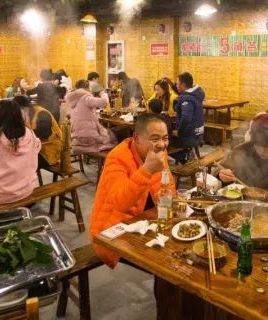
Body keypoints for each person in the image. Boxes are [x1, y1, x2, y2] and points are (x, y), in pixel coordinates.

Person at [90, 113, 175, 267]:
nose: (162, 144)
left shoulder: (158, 152)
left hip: (147, 221)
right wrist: (147, 170)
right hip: (114, 230)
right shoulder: (117, 158)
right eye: (155, 139)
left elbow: (168, 188)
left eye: (165, 138)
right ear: (136, 138)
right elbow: (120, 204)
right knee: (167, 262)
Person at [12, 95, 64, 169]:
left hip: (49, 151)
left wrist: (22, 133)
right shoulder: (26, 115)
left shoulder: (42, 113)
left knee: (22, 162)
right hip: (36, 149)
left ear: (24, 108)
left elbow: (45, 134)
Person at [65, 80, 115, 154]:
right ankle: (112, 158)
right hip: (88, 138)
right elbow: (104, 102)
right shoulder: (86, 97)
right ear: (87, 88)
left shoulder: (73, 100)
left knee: (106, 131)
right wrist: (102, 93)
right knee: (114, 134)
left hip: (76, 137)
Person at [172, 72, 205, 153]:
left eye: (177, 84)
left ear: (183, 85)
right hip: (198, 134)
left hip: (190, 138)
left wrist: (179, 132)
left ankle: (185, 157)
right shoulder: (195, 94)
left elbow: (186, 118)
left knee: (164, 140)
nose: (176, 86)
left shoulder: (187, 98)